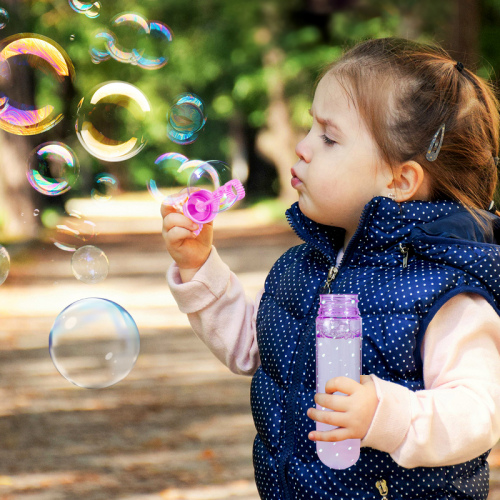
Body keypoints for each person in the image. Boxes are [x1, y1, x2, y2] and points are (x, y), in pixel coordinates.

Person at [161, 37, 500, 499]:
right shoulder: (303, 267)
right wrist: (200, 266)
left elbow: (479, 412)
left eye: (328, 136)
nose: (302, 148)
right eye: (309, 128)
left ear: (399, 180)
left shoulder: (445, 288)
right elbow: (253, 347)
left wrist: (385, 413)